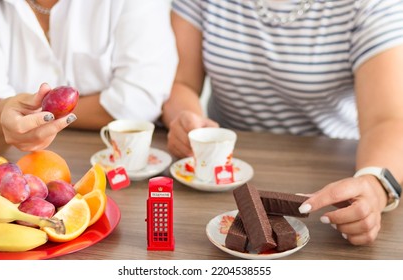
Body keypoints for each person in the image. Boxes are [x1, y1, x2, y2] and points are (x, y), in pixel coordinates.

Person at [161, 0, 403, 245]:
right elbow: (181, 83)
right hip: (224, 172)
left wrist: (375, 183)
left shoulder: (370, 4)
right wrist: (189, 124)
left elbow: (389, 119)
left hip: (331, 172)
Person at [0, 0, 178, 154]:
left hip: (121, 156)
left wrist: (37, 118)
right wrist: (3, 115)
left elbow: (140, 101)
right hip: (18, 164)